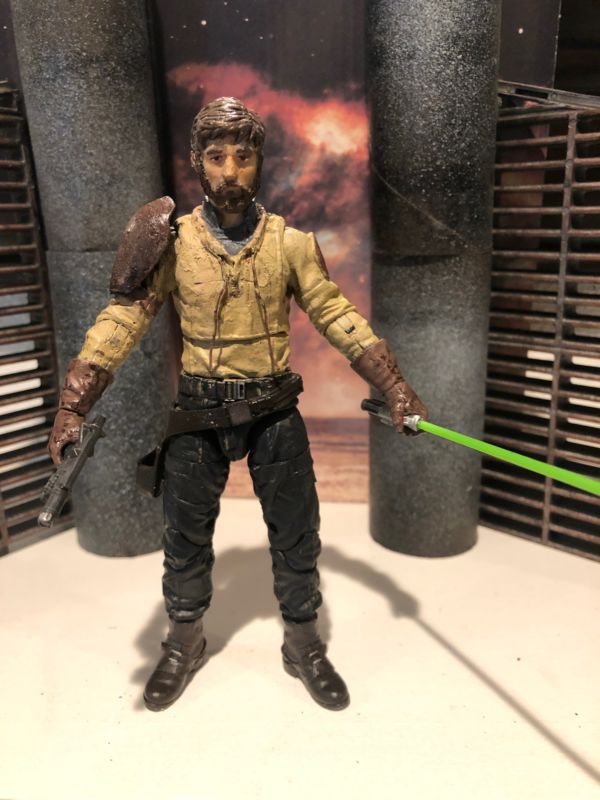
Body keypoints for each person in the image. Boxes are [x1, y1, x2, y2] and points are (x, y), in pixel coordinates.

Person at [48, 97, 427, 712]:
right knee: (185, 536)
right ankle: (184, 639)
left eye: (243, 156)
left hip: (274, 409)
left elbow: (335, 313)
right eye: (217, 156)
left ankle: (303, 642)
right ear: (197, 162)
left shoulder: (289, 244)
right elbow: (123, 320)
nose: (230, 170)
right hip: (198, 412)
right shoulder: (173, 243)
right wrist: (74, 404)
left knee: (297, 532)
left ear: (259, 163)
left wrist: (394, 385)